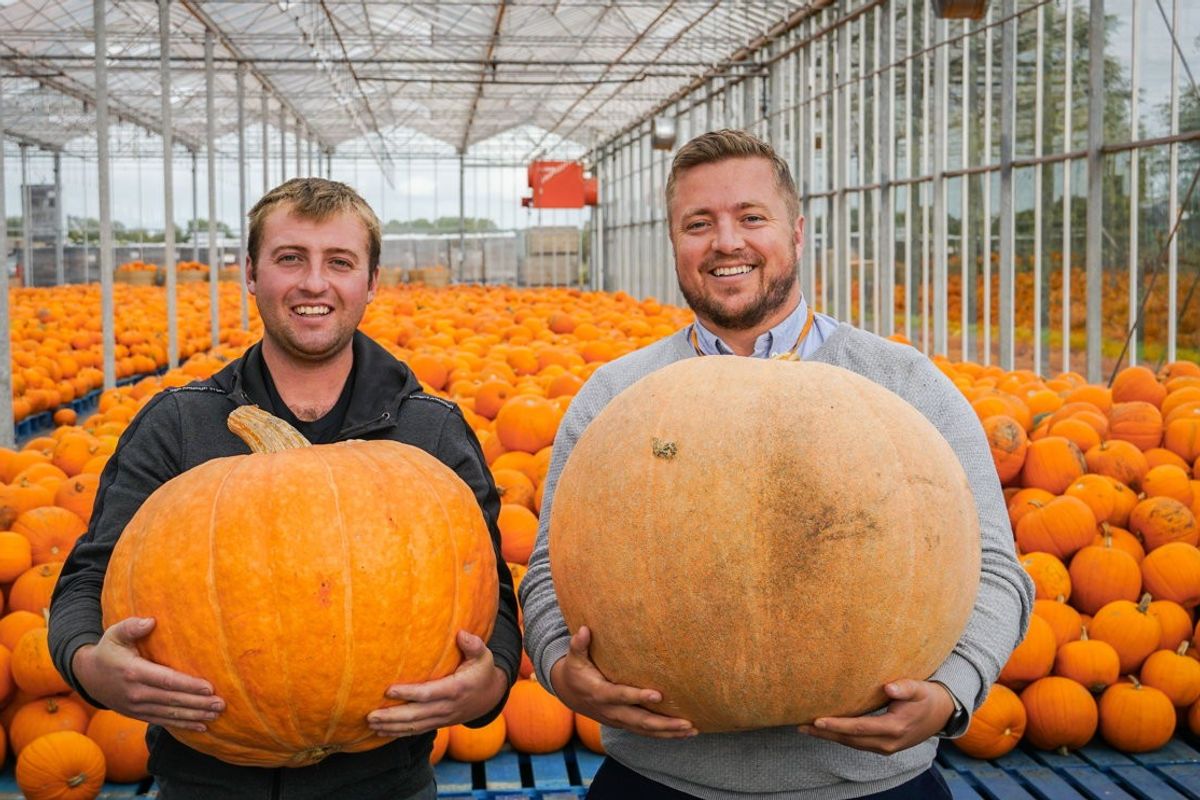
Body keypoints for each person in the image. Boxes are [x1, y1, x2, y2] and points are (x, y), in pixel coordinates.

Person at [519, 130, 1034, 800]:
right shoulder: (618, 396)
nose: (726, 242)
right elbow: (548, 572)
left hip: (872, 785)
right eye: (698, 223)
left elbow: (996, 567)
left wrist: (952, 689)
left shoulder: (904, 384)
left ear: (795, 231)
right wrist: (560, 667)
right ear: (674, 241)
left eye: (750, 218)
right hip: (662, 779)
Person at [49, 178, 521, 800]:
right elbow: (87, 580)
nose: (314, 284)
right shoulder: (179, 425)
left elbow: (492, 601)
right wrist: (90, 664)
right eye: (290, 258)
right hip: (206, 783)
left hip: (385, 782)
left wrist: (488, 688)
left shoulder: (427, 430)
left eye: (340, 262)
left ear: (372, 282)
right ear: (250, 272)